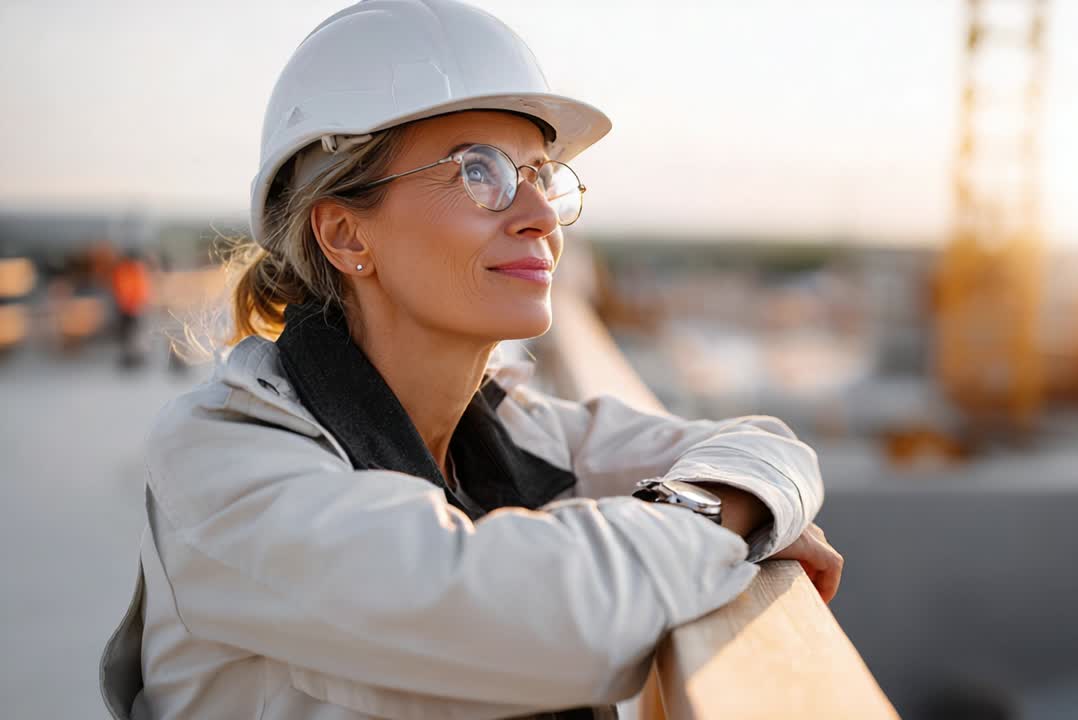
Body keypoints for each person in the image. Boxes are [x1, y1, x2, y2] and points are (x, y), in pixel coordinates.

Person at [99, 1, 841, 718]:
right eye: (480, 172)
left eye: (541, 173)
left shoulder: (512, 430)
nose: (542, 215)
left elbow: (768, 449)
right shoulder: (225, 463)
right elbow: (548, 625)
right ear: (346, 235)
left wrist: (722, 503)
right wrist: (719, 517)